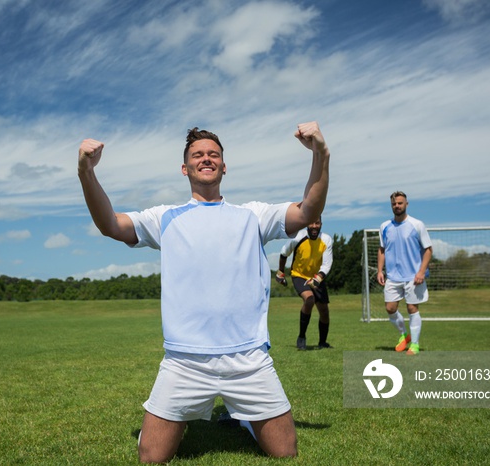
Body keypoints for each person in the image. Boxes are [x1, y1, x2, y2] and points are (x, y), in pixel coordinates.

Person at [78, 121, 330, 463]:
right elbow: (110, 224)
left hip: (249, 360)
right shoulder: (165, 217)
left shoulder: (253, 215)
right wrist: (86, 172)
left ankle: (245, 419)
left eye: (214, 154)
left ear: (224, 166)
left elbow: (307, 211)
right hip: (185, 362)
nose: (206, 158)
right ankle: (184, 417)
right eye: (198, 155)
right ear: (185, 168)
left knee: (285, 452)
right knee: (152, 458)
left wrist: (320, 154)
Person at [376, 191, 432, 356]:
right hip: (392, 276)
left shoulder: (417, 224)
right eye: (394, 204)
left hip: (413, 277)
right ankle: (404, 335)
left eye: (400, 203)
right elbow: (382, 249)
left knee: (412, 308)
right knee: (390, 308)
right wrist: (380, 270)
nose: (397, 206)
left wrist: (421, 272)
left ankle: (414, 344)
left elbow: (428, 250)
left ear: (406, 204)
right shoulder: (385, 226)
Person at [276, 217, 333, 350]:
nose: (314, 226)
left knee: (324, 311)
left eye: (317, 223)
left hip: (316, 277)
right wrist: (280, 272)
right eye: (311, 222)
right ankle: (301, 337)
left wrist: (318, 278)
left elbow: (327, 263)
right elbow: (284, 253)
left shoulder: (326, 240)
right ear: (307, 224)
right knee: (309, 299)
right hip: (299, 275)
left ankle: (322, 342)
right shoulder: (298, 238)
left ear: (321, 224)